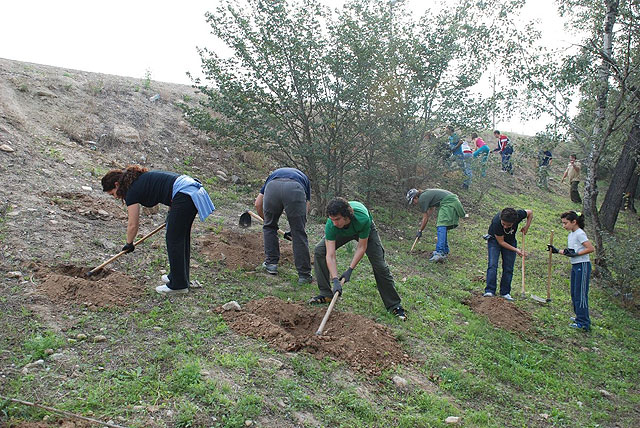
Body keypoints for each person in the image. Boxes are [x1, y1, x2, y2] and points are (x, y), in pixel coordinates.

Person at [101, 165, 215, 295]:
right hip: (189, 190)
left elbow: (133, 224)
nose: (115, 197)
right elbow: (167, 189)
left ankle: (178, 285)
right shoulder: (139, 180)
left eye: (113, 193)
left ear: (116, 185)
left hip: (185, 194)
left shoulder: (131, 190)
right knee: (180, 237)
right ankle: (179, 277)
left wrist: (129, 243)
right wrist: (171, 216)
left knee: (174, 239)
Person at [308, 197, 406, 320]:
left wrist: (350, 270)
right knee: (320, 251)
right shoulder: (332, 225)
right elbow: (330, 254)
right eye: (332, 219)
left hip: (364, 230)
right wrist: (336, 280)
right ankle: (326, 294)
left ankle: (394, 305)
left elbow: (361, 247)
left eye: (337, 219)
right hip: (342, 232)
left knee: (380, 266)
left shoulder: (362, 219)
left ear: (346, 215)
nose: (334, 223)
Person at [254, 167, 312, 283]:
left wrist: (268, 221)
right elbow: (306, 208)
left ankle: (271, 264)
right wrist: (297, 229)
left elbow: (257, 204)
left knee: (269, 227)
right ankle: (304, 275)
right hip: (295, 188)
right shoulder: (304, 179)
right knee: (298, 233)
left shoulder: (273, 175)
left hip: (272, 187)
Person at [548, 211, 594, 331]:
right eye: (563, 223)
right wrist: (557, 251)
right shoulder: (571, 234)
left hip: (582, 265)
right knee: (574, 293)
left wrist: (576, 254)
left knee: (580, 294)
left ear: (574, 222)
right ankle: (579, 316)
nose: (564, 226)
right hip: (575, 266)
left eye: (566, 223)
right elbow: (571, 252)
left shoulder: (580, 233)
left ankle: (584, 323)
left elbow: (590, 248)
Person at [483, 207, 533, 301]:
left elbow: (530, 213)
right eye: (504, 224)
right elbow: (501, 242)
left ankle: (505, 293)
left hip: (510, 241)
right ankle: (489, 291)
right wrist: (516, 250)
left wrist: (527, 226)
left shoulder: (519, 214)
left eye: (508, 225)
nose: (505, 226)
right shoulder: (497, 222)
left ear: (514, 221)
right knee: (492, 265)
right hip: (494, 240)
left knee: (508, 267)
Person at [406, 188, 466, 262]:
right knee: (442, 226)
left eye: (413, 201)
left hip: (448, 202)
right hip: (450, 201)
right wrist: (428, 217)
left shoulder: (422, 199)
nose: (414, 203)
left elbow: (425, 217)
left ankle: (440, 253)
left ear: (416, 197)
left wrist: (420, 231)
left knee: (441, 226)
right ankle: (444, 250)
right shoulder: (425, 194)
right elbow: (432, 207)